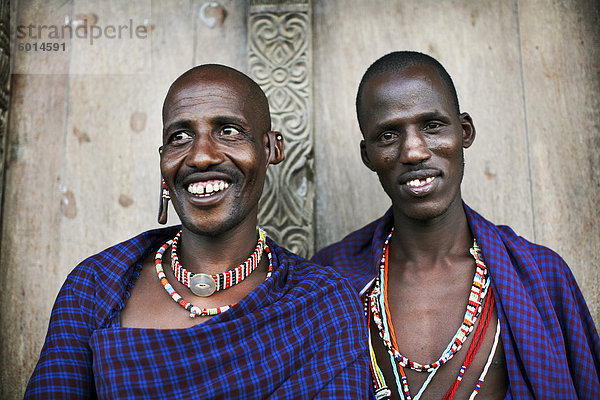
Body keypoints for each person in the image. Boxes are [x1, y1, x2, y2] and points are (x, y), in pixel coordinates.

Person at [25, 64, 370, 399]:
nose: (201, 156)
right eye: (180, 137)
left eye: (228, 131)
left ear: (270, 149)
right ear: (164, 162)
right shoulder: (95, 285)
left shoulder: (321, 302)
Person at [312, 51, 600, 399]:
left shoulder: (540, 276)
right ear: (368, 155)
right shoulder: (330, 279)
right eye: (388, 135)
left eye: (432, 125)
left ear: (464, 132)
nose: (414, 151)